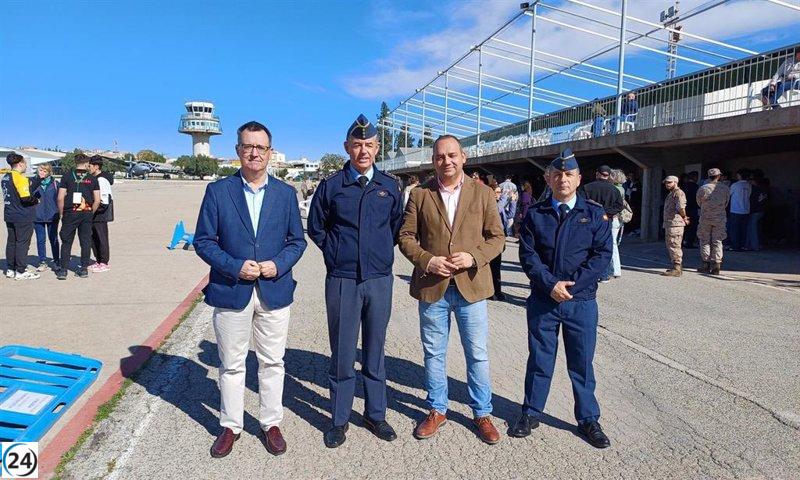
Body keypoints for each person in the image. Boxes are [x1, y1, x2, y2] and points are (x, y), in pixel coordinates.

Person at [195, 120, 307, 458]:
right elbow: (203, 241)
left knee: (273, 361)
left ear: (270, 153)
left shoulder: (286, 194)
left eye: (261, 147)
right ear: (238, 151)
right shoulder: (218, 191)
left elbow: (297, 242)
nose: (254, 152)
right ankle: (230, 426)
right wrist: (234, 265)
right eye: (248, 146)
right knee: (231, 363)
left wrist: (278, 264)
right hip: (232, 289)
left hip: (274, 289)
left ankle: (270, 422)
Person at [398, 134, 505, 445]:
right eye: (440, 156)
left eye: (452, 155)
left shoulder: (483, 193)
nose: (447, 161)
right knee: (434, 353)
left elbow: (497, 238)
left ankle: (482, 413)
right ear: (434, 161)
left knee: (477, 354)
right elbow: (406, 237)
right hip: (434, 286)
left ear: (464, 157)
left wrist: (473, 256)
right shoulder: (420, 194)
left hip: (471, 286)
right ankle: (436, 409)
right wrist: (427, 261)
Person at [307, 114, 404, 448]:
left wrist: (376, 254)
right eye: (357, 144)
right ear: (347, 147)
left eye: (369, 145)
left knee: (375, 350)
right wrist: (335, 253)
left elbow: (394, 228)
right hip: (343, 279)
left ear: (377, 148)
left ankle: (375, 414)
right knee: (343, 352)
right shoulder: (331, 186)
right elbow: (316, 227)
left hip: (378, 280)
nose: (363, 151)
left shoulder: (390, 187)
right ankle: (338, 418)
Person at [511, 148, 612, 449]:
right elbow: (528, 257)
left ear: (579, 179)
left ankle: (588, 419)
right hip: (544, 300)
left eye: (569, 174)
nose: (563, 179)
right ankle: (531, 412)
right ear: (548, 178)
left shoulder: (593, 214)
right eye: (557, 174)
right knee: (540, 360)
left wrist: (572, 285)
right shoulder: (535, 215)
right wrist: (550, 284)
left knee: (581, 364)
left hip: (580, 302)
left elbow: (601, 256)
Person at [56, 153, 100, 279]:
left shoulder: (67, 176)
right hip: (86, 213)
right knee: (85, 241)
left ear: (75, 162)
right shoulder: (92, 179)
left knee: (66, 241)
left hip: (70, 213)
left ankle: (63, 270)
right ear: (87, 163)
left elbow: (60, 197)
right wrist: (91, 212)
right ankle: (84, 269)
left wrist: (61, 212)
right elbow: (97, 199)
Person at [2, 153, 41, 280]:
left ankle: (10, 268)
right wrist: (36, 200)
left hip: (10, 214)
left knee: (12, 242)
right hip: (22, 215)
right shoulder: (20, 178)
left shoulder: (6, 177)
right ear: (20, 164)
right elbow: (25, 198)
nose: (26, 166)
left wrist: (38, 179)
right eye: (25, 163)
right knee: (22, 243)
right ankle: (20, 271)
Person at [581, 165, 622, 281]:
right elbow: (619, 206)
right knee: (604, 248)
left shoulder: (587, 187)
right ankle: (604, 275)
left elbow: (580, 203)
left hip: (589, 220)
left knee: (588, 247)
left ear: (597, 174)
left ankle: (589, 274)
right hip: (606, 220)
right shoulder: (614, 190)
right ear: (608, 176)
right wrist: (605, 212)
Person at [696, 168, 730, 275]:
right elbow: (726, 202)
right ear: (719, 176)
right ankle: (716, 265)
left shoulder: (703, 188)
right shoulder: (725, 188)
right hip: (719, 218)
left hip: (705, 217)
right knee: (718, 241)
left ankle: (705, 264)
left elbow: (698, 202)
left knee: (704, 240)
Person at [88, 156, 114, 272]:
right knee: (93, 239)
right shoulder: (93, 178)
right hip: (92, 214)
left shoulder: (101, 180)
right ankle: (98, 260)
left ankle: (104, 262)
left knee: (101, 238)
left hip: (100, 214)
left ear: (96, 166)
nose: (88, 168)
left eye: (90, 166)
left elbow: (104, 201)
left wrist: (92, 210)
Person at [33, 163, 60, 272]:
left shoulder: (55, 184)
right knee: (40, 240)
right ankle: (42, 261)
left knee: (53, 239)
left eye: (44, 171)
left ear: (49, 172)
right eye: (40, 170)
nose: (42, 173)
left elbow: (61, 198)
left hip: (52, 216)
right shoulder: (33, 183)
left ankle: (56, 261)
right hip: (37, 216)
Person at [661, 176, 689, 277]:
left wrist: (684, 217)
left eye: (669, 182)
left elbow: (681, 207)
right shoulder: (671, 193)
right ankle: (675, 266)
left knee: (674, 244)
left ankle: (677, 268)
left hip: (675, 224)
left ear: (675, 182)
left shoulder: (678, 193)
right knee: (671, 244)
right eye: (666, 183)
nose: (667, 184)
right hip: (670, 223)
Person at [490, 185, 508, 301]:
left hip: (500, 238)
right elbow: (497, 209)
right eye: (496, 192)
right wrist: (506, 198)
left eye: (500, 192)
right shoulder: (491, 204)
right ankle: (491, 292)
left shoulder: (499, 204)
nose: (498, 194)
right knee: (491, 268)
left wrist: (514, 202)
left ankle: (497, 290)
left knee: (497, 267)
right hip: (489, 240)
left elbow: (510, 215)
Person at [609, 169, 627, 278]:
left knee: (612, 244)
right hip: (619, 218)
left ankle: (615, 269)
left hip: (614, 217)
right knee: (614, 243)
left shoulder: (614, 189)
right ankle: (615, 269)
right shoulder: (621, 188)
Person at [728, 169, 751, 251]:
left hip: (735, 210)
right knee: (743, 229)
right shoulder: (749, 185)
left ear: (740, 175)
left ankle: (735, 246)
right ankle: (742, 245)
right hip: (746, 210)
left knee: (734, 229)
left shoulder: (735, 185)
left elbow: (728, 195)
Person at [746, 171, 768, 251]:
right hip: (761, 211)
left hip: (754, 211)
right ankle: (757, 244)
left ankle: (754, 246)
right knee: (757, 228)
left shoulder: (754, 189)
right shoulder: (764, 188)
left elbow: (752, 201)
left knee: (752, 229)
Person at [682, 171, 700, 248]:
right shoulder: (696, 187)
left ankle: (681, 242)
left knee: (684, 226)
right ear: (695, 177)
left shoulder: (683, 186)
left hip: (684, 209)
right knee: (692, 227)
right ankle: (689, 243)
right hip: (693, 209)